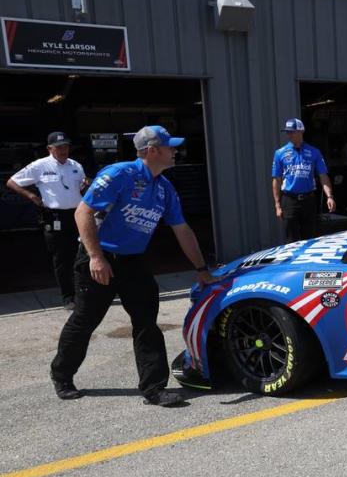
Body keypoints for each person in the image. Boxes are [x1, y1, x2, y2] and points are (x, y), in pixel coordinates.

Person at [49, 126, 214, 405]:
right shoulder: (120, 175)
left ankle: (154, 388)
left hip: (133, 261)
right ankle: (61, 374)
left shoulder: (164, 187)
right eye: (170, 147)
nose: (176, 151)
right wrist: (96, 258)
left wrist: (201, 269)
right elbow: (83, 212)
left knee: (146, 322)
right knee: (85, 320)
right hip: (99, 258)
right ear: (152, 150)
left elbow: (182, 229)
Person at [6, 131, 88, 309]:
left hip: (77, 215)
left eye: (66, 146)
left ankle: (83, 291)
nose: (63, 150)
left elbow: (81, 185)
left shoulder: (75, 165)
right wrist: (30, 195)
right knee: (61, 258)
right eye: (59, 147)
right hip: (55, 217)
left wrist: (86, 185)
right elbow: (12, 182)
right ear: (49, 148)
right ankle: (68, 297)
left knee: (82, 254)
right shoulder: (39, 166)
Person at [271, 118, 335, 243]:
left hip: (308, 200)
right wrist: (277, 204)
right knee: (291, 240)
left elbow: (323, 176)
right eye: (287, 132)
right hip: (289, 201)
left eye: (292, 132)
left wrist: (330, 196)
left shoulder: (314, 152)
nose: (288, 135)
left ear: (301, 131)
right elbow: (276, 179)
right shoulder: (280, 153)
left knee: (310, 238)